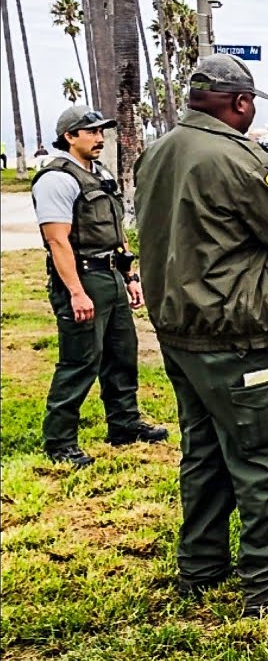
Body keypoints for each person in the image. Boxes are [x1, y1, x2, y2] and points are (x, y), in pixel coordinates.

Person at [134, 54, 268, 614]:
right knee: (262, 459)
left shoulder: (158, 152)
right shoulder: (237, 158)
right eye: (250, 103)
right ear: (239, 102)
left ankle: (201, 568)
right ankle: (267, 583)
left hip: (179, 329)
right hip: (235, 333)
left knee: (204, 454)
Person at [30, 105, 170, 468]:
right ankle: (60, 441)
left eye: (100, 131)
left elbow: (115, 231)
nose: (99, 137)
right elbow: (57, 241)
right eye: (90, 131)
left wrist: (130, 275)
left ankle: (124, 424)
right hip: (82, 277)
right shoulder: (57, 179)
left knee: (122, 354)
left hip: (109, 275)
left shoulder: (100, 174)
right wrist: (76, 292)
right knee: (79, 361)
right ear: (69, 136)